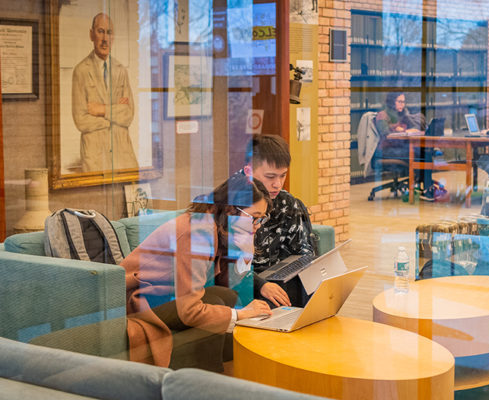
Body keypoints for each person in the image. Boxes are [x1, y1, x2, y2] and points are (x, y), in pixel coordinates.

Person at [120, 175, 280, 370]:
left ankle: (218, 370)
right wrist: (241, 314)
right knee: (215, 300)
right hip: (140, 299)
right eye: (254, 217)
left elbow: (226, 284)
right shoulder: (197, 233)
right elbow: (189, 310)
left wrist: (244, 254)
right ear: (231, 209)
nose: (256, 226)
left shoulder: (217, 225)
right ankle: (207, 377)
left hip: (167, 292)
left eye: (260, 219)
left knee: (225, 295)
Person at [240, 135, 315, 307]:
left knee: (318, 288)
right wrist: (261, 284)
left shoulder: (288, 204)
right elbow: (229, 268)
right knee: (274, 299)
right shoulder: (233, 207)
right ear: (248, 171)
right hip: (247, 281)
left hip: (280, 277)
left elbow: (304, 252)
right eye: (270, 177)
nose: (278, 184)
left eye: (282, 176)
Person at [72, 13, 138, 172]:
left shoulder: (120, 71)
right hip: (94, 153)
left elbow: (128, 114)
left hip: (122, 151)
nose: (105, 39)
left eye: (109, 33)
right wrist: (115, 116)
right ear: (91, 35)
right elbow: (81, 120)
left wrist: (102, 110)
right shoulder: (81, 71)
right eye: (100, 31)